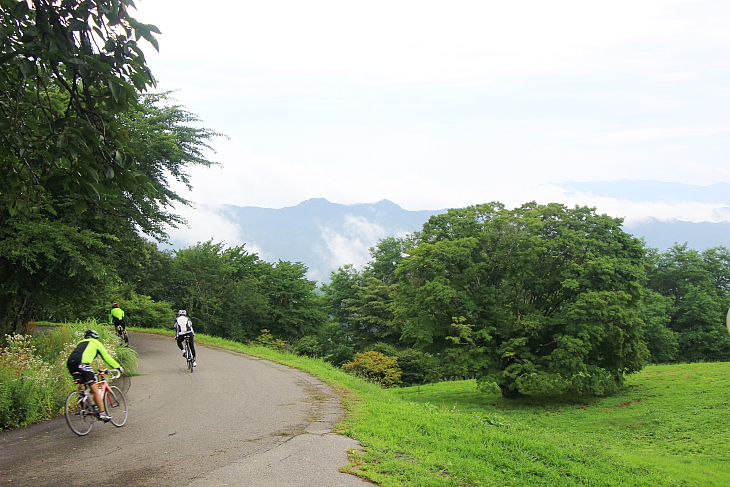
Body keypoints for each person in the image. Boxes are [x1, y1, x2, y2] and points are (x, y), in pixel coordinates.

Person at [66, 330, 124, 422]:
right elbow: (107, 357)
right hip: (83, 364)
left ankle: (84, 407)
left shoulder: (80, 342)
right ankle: (102, 413)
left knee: (82, 385)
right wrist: (118, 367)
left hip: (70, 363)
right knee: (94, 388)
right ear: (95, 337)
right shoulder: (96, 343)